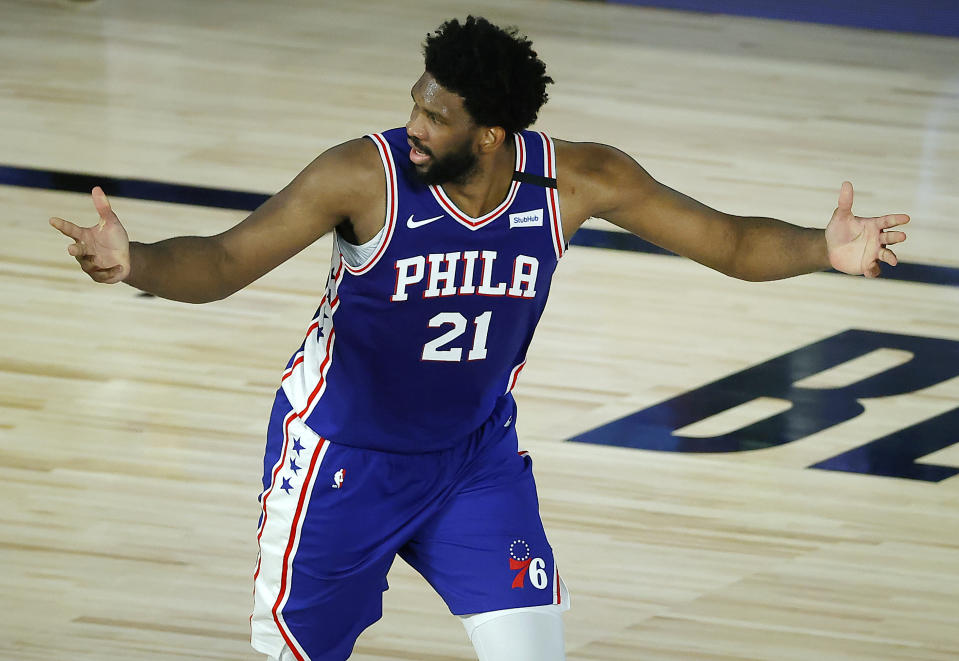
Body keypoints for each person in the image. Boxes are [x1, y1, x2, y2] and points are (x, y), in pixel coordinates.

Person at [49, 15, 909, 661]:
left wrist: (819, 250)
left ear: (492, 133)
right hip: (340, 464)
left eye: (437, 115)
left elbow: (725, 241)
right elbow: (229, 258)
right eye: (414, 104)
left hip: (471, 460)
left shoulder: (575, 179)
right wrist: (138, 263)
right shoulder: (363, 174)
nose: (414, 124)